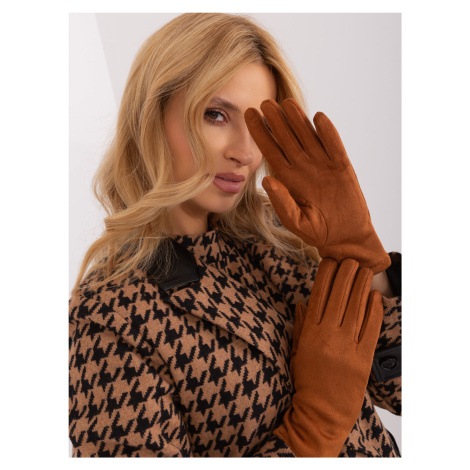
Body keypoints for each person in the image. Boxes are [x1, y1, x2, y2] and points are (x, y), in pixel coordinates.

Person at [69, 13, 402, 457]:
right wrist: (315, 429)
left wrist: (363, 257)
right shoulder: (110, 314)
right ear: (152, 115)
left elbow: (404, 391)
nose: (245, 152)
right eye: (216, 115)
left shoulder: (282, 237)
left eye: (258, 124)